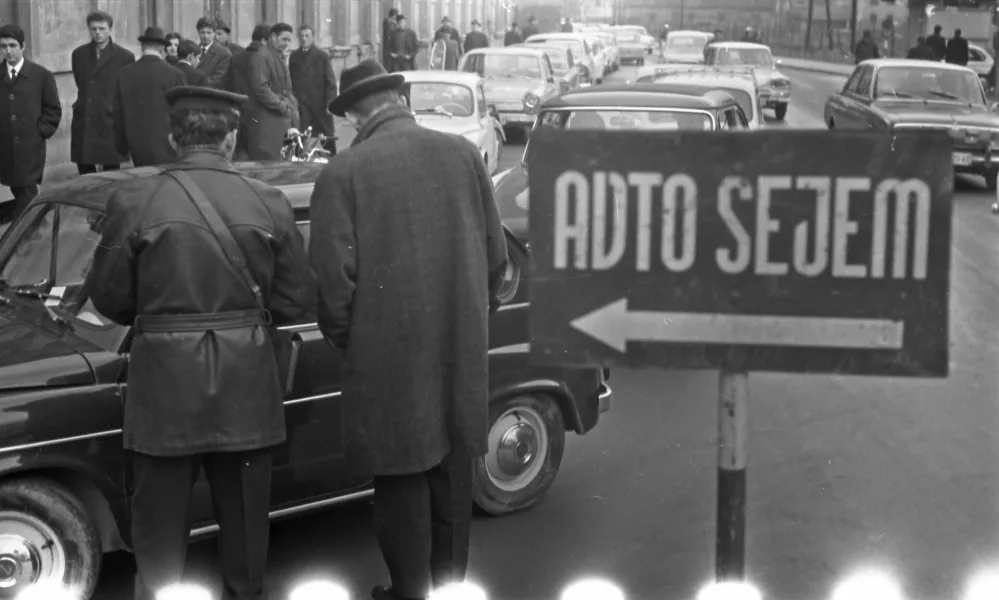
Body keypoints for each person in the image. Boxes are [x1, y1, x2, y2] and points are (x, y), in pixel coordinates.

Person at [85, 84, 314, 600]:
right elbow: (298, 300)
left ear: (172, 138)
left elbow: (109, 298)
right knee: (246, 526)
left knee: (160, 535)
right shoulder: (269, 200)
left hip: (164, 386)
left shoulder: (135, 199)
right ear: (231, 138)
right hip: (247, 383)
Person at [310, 59, 508, 600]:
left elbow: (333, 284)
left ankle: (409, 591)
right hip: (460, 346)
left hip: (386, 356)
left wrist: (353, 338)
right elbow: (496, 260)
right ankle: (448, 587)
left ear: (353, 112)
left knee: (399, 478)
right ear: (400, 98)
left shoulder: (343, 172)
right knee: (451, 472)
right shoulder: (464, 155)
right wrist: (469, 317)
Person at [0, 24, 61, 224]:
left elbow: (53, 109)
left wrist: (39, 133)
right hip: (5, 148)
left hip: (30, 148)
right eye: (3, 46)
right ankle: (33, 230)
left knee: (27, 191)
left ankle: (27, 236)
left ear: (22, 46)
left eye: (12, 45)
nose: (8, 51)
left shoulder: (41, 75)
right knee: (18, 190)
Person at [71, 10, 135, 175]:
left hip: (109, 120)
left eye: (102, 28)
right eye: (93, 29)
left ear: (110, 29)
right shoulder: (79, 54)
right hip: (85, 117)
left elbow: (125, 89)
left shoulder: (124, 57)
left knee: (111, 172)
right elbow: (81, 82)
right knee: (85, 170)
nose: (98, 33)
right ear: (88, 30)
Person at [113, 27, 186, 168]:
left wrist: (121, 148)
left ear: (142, 47)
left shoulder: (124, 74)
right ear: (161, 48)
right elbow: (183, 113)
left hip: (136, 145)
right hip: (168, 145)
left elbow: (117, 113)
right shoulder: (175, 74)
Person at [246, 22, 299, 160]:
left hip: (280, 119)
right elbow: (261, 89)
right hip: (268, 121)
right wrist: (283, 106)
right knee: (269, 160)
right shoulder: (262, 56)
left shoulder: (277, 55)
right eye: (284, 39)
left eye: (289, 40)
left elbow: (286, 88)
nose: (286, 43)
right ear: (273, 36)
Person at [289, 24, 338, 153]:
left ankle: (332, 161)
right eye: (301, 36)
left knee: (326, 137)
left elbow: (330, 82)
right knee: (301, 137)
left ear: (312, 38)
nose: (304, 39)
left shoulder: (322, 56)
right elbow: (291, 81)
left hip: (320, 105)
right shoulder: (294, 56)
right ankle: (300, 163)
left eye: (307, 36)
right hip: (302, 105)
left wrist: (330, 103)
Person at [228, 24, 272, 160]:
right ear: (264, 41)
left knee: (242, 155)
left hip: (240, 112)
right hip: (262, 115)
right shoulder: (266, 59)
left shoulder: (237, 57)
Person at [195, 17, 233, 86]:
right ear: (198, 33)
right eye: (202, 33)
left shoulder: (224, 54)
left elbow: (217, 80)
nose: (205, 36)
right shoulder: (193, 50)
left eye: (209, 33)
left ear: (214, 33)